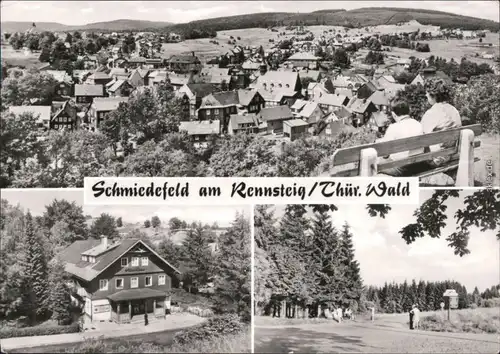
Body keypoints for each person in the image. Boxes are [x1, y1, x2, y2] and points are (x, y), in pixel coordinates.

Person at [376, 99, 427, 177]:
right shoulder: (418, 124)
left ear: (393, 114)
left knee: (375, 163)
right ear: (408, 111)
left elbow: (385, 154)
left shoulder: (393, 127)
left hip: (401, 168)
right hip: (419, 164)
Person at [421, 77, 462, 167]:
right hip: (454, 154)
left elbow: (421, 137)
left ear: (434, 95)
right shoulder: (453, 109)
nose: (426, 95)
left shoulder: (431, 113)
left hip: (437, 159)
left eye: (427, 93)